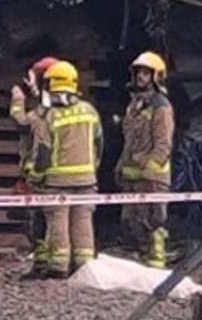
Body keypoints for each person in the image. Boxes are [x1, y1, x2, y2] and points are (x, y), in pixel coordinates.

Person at [25, 60, 103, 277]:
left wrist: (36, 177)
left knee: (57, 222)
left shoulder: (51, 116)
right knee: (83, 222)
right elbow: (99, 144)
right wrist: (92, 169)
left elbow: (43, 152)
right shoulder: (90, 111)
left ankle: (58, 267)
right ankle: (84, 267)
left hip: (57, 182)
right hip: (87, 180)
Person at [116, 51, 175, 268]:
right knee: (132, 221)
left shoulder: (161, 107)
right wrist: (121, 165)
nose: (140, 77)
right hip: (132, 177)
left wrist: (150, 171)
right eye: (138, 72)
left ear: (156, 76)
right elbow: (129, 141)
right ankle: (140, 258)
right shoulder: (133, 106)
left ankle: (156, 261)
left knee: (154, 222)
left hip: (153, 178)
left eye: (146, 73)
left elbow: (163, 144)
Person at [11, 56, 59, 274]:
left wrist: (18, 100)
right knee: (41, 219)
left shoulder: (46, 109)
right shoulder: (55, 104)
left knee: (41, 218)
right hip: (49, 170)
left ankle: (46, 262)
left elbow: (22, 121)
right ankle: (42, 261)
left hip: (42, 171)